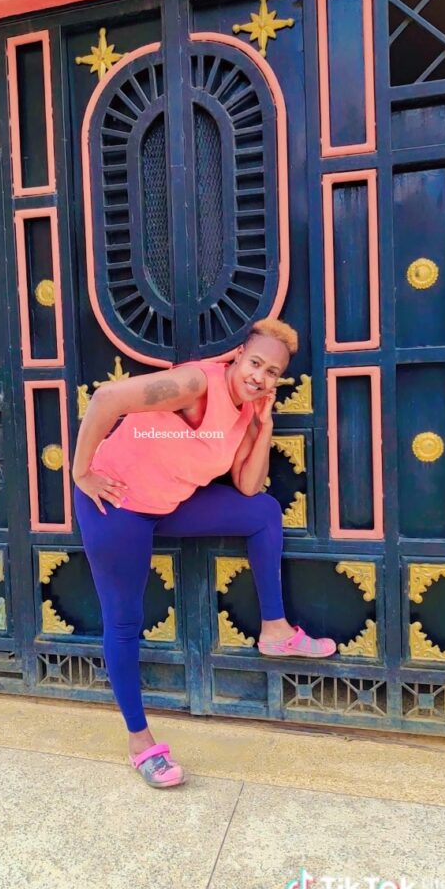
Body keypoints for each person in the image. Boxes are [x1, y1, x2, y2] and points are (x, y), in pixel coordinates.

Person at [72, 318, 336, 788]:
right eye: (256, 363)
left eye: (272, 372)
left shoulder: (246, 410)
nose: (260, 377)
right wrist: (81, 472)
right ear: (238, 356)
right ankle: (140, 742)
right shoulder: (196, 385)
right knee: (124, 621)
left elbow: (248, 486)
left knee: (263, 512)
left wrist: (264, 424)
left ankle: (275, 631)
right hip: (116, 505)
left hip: (166, 506)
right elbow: (107, 398)